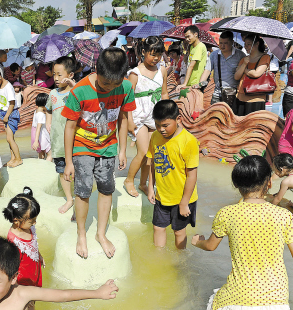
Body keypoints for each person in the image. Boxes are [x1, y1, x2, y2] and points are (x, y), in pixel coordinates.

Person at [191, 155, 293, 310]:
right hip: (275, 293)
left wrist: (197, 241)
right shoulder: (283, 216)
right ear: (269, 183)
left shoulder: (227, 213)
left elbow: (211, 246)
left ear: (236, 185)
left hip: (242, 289)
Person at [62, 47, 136, 259]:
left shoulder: (126, 87)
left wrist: (122, 150)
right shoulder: (80, 91)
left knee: (106, 189)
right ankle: (81, 233)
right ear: (97, 71)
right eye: (105, 84)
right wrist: (68, 161)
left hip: (109, 146)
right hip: (82, 146)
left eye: (115, 84)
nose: (110, 88)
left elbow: (122, 118)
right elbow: (69, 127)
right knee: (83, 190)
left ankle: (101, 234)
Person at [146, 100, 199, 249]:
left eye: (165, 125)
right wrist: (151, 187)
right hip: (162, 195)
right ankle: (159, 259)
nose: (161, 129)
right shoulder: (155, 137)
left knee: (179, 231)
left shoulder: (189, 141)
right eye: (157, 125)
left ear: (178, 119)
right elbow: (153, 164)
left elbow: (192, 175)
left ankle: (179, 262)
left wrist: (184, 202)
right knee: (157, 227)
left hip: (182, 197)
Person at [124, 36, 169, 198]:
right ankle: (129, 180)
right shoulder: (135, 74)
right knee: (143, 151)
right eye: (152, 54)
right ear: (143, 52)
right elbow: (128, 99)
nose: (156, 58)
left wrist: (169, 115)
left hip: (155, 116)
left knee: (152, 155)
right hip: (138, 117)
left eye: (159, 54)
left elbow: (164, 93)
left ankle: (143, 183)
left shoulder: (161, 70)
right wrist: (129, 120)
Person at [2, 186, 45, 310]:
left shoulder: (28, 228)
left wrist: (38, 256)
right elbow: (9, 268)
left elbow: (33, 245)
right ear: (16, 221)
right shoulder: (13, 242)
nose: (35, 223)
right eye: (32, 221)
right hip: (22, 282)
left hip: (33, 273)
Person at [46, 56, 76, 214]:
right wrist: (48, 122)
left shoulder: (76, 91)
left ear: (70, 75)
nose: (56, 78)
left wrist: (74, 87)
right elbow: (48, 109)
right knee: (61, 169)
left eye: (59, 75)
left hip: (75, 141)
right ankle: (69, 198)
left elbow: (84, 103)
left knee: (78, 169)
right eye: (54, 75)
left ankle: (79, 196)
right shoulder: (52, 94)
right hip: (58, 142)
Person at [0, 66, 23, 168]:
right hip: (5, 114)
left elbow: (12, 103)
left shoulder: (8, 87)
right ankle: (13, 158)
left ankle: (18, 159)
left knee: (9, 138)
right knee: (9, 138)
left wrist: (6, 115)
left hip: (10, 114)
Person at [233, 35, 271, 116]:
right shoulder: (244, 59)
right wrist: (244, 64)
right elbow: (236, 76)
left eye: (248, 44)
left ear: (257, 44)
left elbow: (256, 74)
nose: (246, 47)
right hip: (241, 95)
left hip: (256, 97)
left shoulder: (265, 57)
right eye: (245, 44)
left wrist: (244, 70)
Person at [205, 31, 245, 105]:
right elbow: (207, 70)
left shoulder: (240, 55)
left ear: (232, 42)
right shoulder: (214, 55)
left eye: (225, 43)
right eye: (221, 43)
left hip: (234, 94)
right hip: (217, 94)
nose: (222, 46)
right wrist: (200, 83)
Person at [271, 154, 293, 229]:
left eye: (274, 169)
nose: (274, 172)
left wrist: (267, 210)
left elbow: (277, 199)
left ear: (281, 169)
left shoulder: (286, 181)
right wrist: (277, 193)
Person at [31, 92, 51, 160]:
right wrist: (36, 141)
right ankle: (47, 168)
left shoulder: (36, 111)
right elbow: (38, 128)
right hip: (42, 137)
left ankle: (40, 168)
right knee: (50, 154)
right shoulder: (41, 114)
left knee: (41, 154)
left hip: (36, 136)